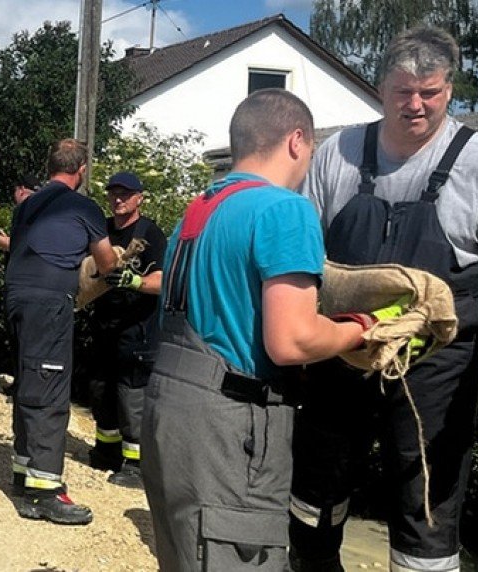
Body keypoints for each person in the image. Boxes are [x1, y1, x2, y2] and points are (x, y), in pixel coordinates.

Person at [289, 27, 478, 572]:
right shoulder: (338, 152)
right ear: (381, 88)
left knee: (425, 491)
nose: (415, 105)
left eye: (429, 92)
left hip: (438, 362)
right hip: (345, 343)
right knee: (320, 474)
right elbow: (301, 245)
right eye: (403, 91)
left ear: (449, 90)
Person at [141, 89, 392, 569]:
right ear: (297, 141)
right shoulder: (284, 209)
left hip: (169, 414)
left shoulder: (198, 211)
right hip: (231, 429)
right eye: (312, 151)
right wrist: (361, 330)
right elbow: (291, 340)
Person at [4, 140, 118, 525]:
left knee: (28, 382)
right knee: (50, 389)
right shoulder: (82, 207)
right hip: (48, 304)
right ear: (81, 169)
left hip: (17, 299)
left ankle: (25, 472)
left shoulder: (27, 206)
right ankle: (44, 492)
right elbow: (106, 261)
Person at [81, 171, 168, 491]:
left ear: (139, 198)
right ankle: (107, 450)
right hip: (105, 326)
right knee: (101, 389)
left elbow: (164, 281)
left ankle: (136, 464)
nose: (118, 199)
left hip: (138, 329)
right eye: (114, 193)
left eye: (125, 194)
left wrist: (135, 282)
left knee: (132, 395)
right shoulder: (102, 231)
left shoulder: (150, 234)